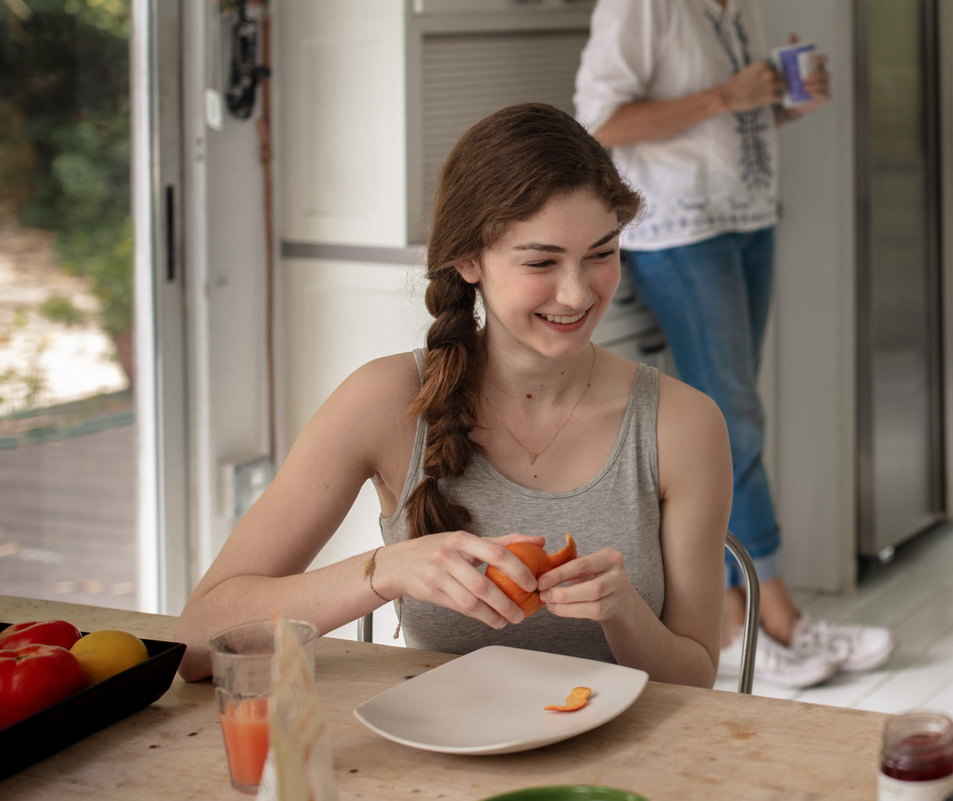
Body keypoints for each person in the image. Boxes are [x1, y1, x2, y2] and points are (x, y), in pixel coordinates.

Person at [174, 104, 733, 688]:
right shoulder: (386, 401)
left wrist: (624, 612)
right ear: (469, 260)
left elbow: (694, 681)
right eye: (541, 261)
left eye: (601, 253)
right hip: (434, 767)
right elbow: (194, 642)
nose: (577, 292)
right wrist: (387, 571)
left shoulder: (682, 425)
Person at [575, 0, 894, 689]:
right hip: (678, 228)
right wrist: (727, 95)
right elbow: (599, 120)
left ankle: (735, 620)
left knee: (728, 421)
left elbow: (730, 105)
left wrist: (781, 101)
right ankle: (769, 622)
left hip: (748, 216)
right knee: (735, 420)